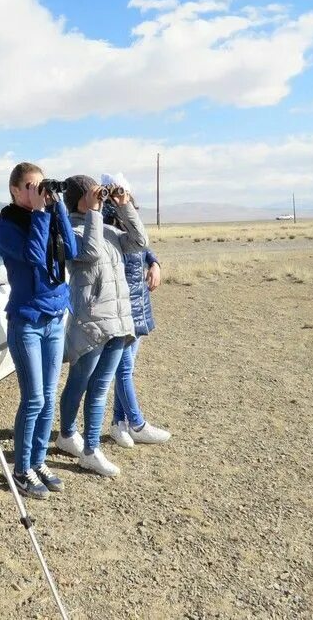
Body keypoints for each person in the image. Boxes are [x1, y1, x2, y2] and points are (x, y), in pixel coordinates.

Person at [0, 163, 78, 499]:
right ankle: (21, 468)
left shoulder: (49, 215)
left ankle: (38, 461)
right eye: (30, 185)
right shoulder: (5, 225)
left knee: (48, 398)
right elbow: (34, 257)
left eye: (41, 185)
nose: (37, 190)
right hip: (27, 321)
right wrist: (42, 214)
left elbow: (70, 251)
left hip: (56, 317)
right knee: (34, 398)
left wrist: (58, 211)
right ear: (14, 190)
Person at [55, 175, 148, 477]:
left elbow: (139, 243)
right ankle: (68, 434)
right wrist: (95, 212)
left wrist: (124, 207)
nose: (100, 196)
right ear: (79, 198)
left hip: (119, 321)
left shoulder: (106, 228)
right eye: (93, 193)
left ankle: (90, 449)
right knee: (79, 382)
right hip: (92, 323)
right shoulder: (69, 230)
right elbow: (90, 253)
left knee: (100, 388)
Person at [100, 173, 172, 447]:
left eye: (124, 192)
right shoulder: (105, 225)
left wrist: (155, 263)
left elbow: (144, 246)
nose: (121, 196)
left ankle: (120, 424)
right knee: (124, 369)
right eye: (115, 192)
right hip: (121, 308)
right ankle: (137, 423)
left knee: (126, 369)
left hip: (140, 305)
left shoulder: (130, 220)